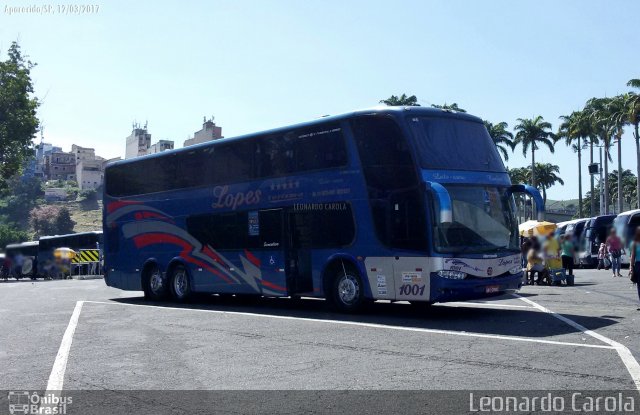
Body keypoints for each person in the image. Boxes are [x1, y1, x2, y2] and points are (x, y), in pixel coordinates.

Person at [628, 228, 640, 310]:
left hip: (639, 265)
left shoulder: (635, 243)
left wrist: (631, 267)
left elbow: (632, 257)